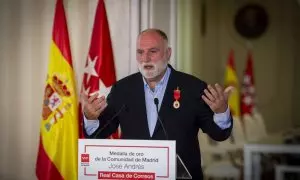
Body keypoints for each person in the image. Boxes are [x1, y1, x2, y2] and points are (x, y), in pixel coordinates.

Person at [82, 28, 233, 179]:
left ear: (168, 53)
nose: (145, 59)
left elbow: (219, 134)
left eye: (153, 51)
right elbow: (99, 134)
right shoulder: (123, 89)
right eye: (140, 52)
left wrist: (221, 112)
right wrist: (90, 118)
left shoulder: (193, 88)